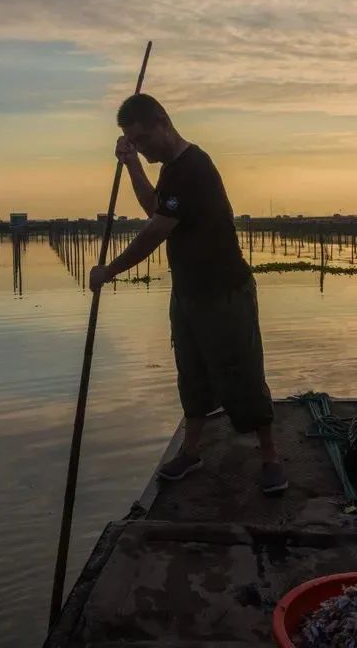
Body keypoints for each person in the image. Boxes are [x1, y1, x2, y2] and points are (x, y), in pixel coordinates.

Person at [88, 94, 288, 495]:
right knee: (192, 374)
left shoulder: (194, 166)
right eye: (134, 143)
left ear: (163, 121)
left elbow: (156, 230)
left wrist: (110, 270)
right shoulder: (171, 170)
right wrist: (129, 164)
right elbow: (154, 207)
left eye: (143, 141)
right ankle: (191, 451)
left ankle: (270, 458)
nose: (142, 149)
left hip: (225, 291)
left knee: (243, 372)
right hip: (188, 292)